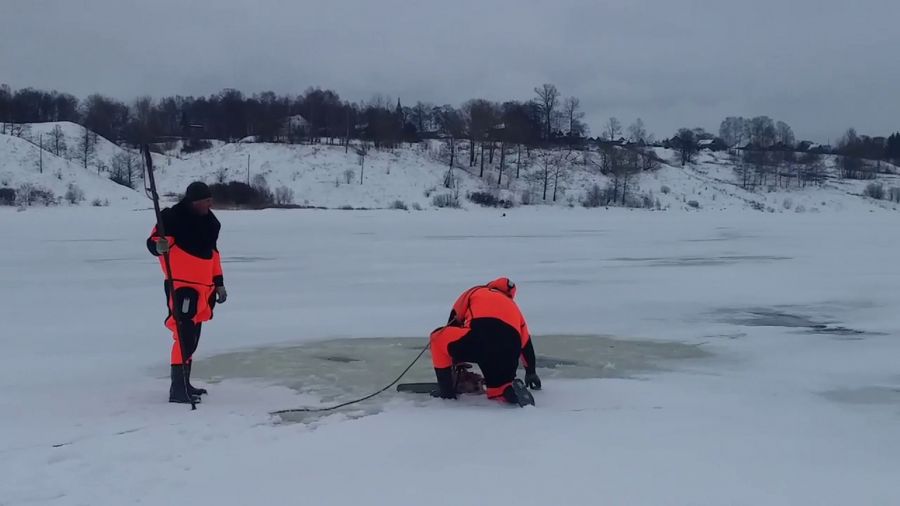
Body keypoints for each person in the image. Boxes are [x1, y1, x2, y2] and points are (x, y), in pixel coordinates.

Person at [147, 182, 227, 404]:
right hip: (182, 287)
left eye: (210, 200)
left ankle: (185, 383)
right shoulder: (173, 218)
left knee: (192, 338)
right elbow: (155, 241)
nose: (210, 204)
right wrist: (158, 246)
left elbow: (214, 255)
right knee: (183, 336)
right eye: (206, 201)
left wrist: (219, 282)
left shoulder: (211, 223)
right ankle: (177, 390)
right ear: (194, 201)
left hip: (204, 289)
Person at [429, 277, 541, 406]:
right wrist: (531, 372)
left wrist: (456, 361)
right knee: (498, 390)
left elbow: (454, 321)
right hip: (509, 350)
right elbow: (526, 344)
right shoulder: (514, 307)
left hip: (479, 340)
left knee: (437, 338)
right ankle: (506, 391)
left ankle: (447, 392)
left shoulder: (476, 291)